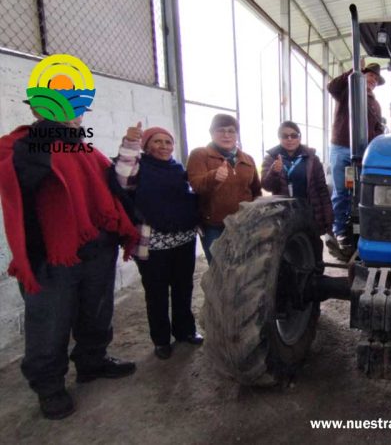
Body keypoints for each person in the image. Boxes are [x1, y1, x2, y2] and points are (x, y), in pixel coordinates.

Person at [0, 115, 138, 420]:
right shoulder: (22, 145)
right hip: (53, 253)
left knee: (97, 311)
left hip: (97, 248)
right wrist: (46, 135)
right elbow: (18, 174)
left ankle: (92, 362)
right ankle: (49, 386)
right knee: (50, 322)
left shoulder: (86, 150)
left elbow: (116, 181)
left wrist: (129, 147)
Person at [113, 123, 202, 360]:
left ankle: (185, 331)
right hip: (153, 244)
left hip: (183, 240)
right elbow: (122, 179)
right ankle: (161, 340)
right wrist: (130, 143)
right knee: (157, 293)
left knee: (184, 288)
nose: (163, 146)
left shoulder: (177, 168)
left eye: (168, 142)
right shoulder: (139, 168)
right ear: (146, 145)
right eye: (157, 141)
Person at [327, 61, 384, 258]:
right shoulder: (347, 90)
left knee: (362, 193)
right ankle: (340, 232)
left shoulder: (375, 105)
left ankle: (361, 231)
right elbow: (331, 87)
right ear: (362, 75)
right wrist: (352, 70)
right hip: (342, 148)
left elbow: (377, 130)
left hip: (363, 154)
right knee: (341, 191)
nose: (373, 81)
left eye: (376, 80)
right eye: (370, 77)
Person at [187, 114, 261, 263]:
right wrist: (214, 177)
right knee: (219, 270)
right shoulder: (200, 155)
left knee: (245, 266)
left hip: (243, 225)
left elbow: (256, 191)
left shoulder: (248, 159)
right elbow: (196, 185)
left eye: (231, 131)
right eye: (221, 130)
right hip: (214, 226)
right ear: (212, 133)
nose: (226, 135)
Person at [261, 121, 334, 262]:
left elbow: (321, 189)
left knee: (313, 245)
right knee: (288, 248)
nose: (289, 139)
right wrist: (273, 172)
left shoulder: (311, 158)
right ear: (279, 138)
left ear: (299, 138)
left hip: (309, 211)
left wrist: (328, 215)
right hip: (284, 213)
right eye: (285, 136)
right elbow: (266, 186)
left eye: (294, 135)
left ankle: (317, 274)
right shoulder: (271, 158)